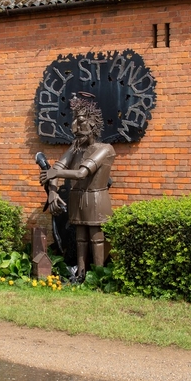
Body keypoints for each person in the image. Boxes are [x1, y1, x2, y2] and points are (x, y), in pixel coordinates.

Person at [40, 92, 115, 279]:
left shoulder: (105, 149)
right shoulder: (76, 147)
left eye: (80, 122)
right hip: (78, 197)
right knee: (80, 237)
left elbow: (82, 173)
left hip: (96, 198)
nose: (75, 128)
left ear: (92, 123)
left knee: (96, 238)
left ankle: (99, 276)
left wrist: (54, 174)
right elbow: (58, 166)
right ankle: (81, 274)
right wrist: (52, 191)